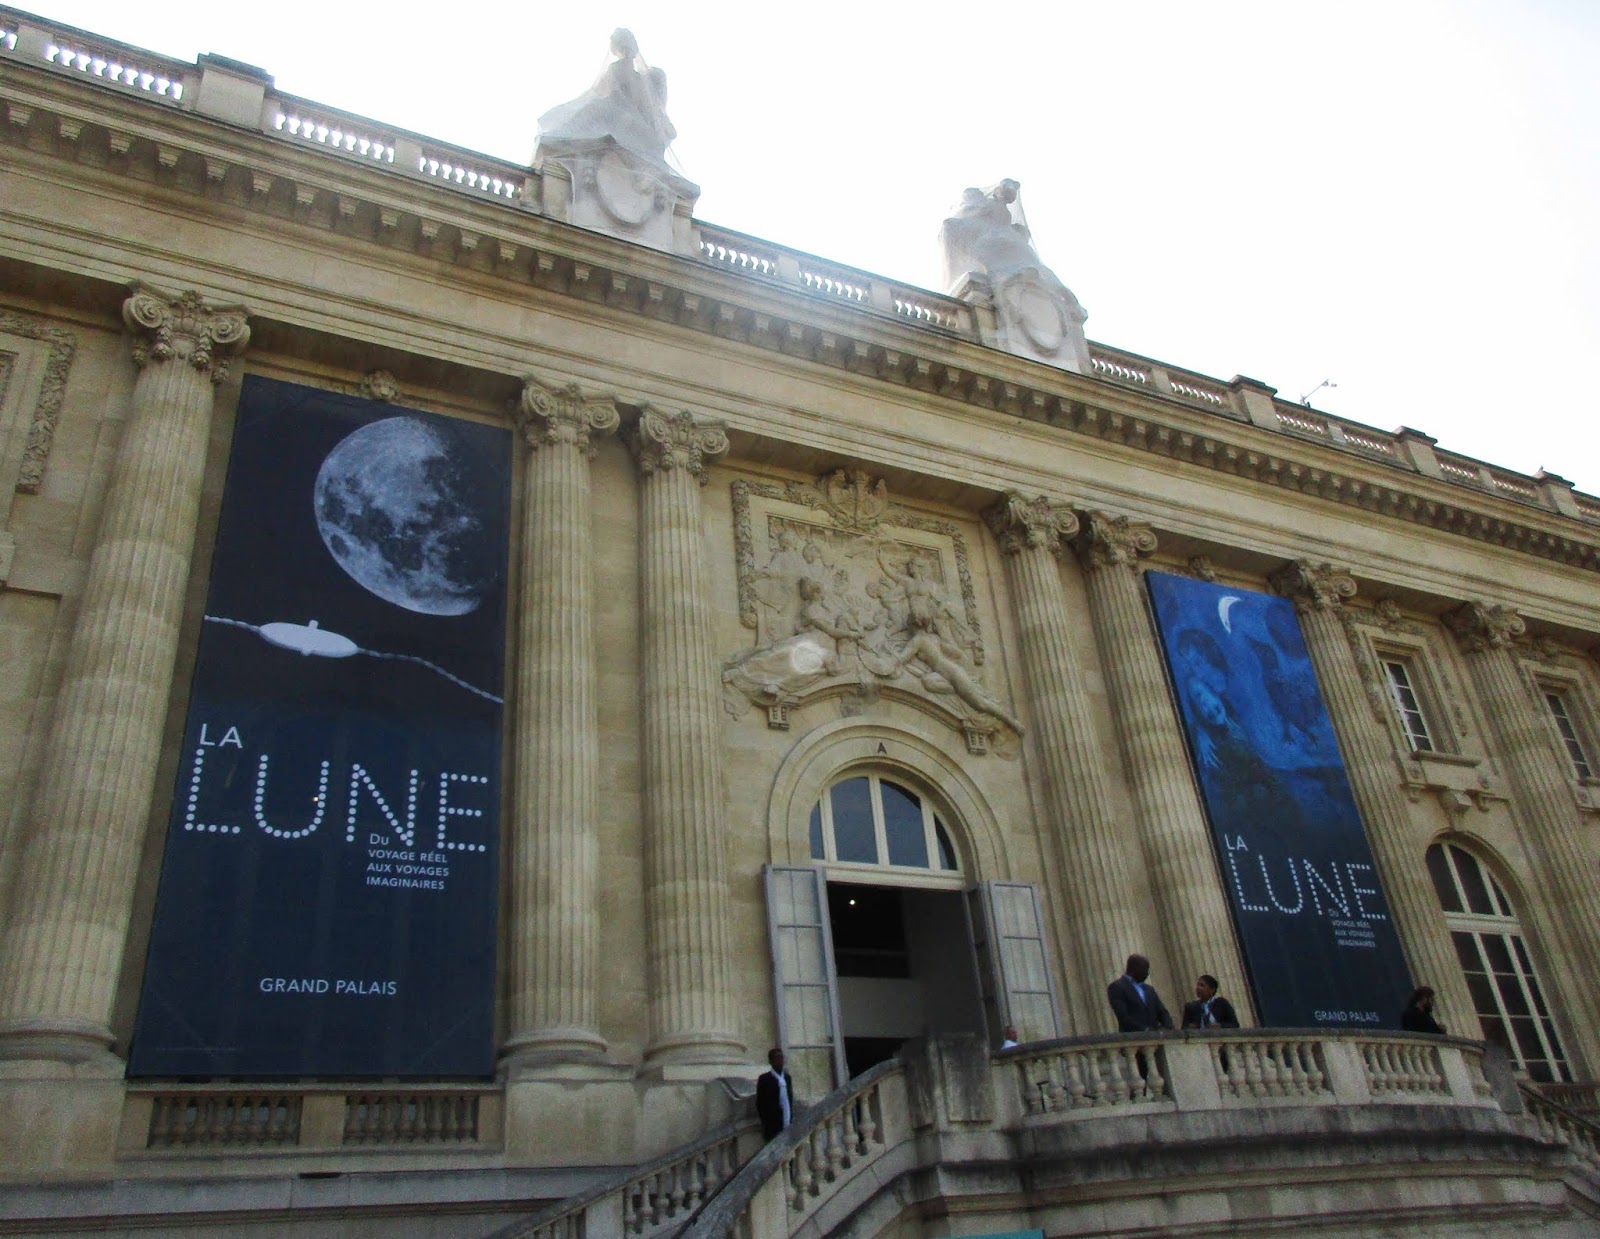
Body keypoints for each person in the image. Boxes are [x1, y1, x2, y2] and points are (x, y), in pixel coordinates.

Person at [1107, 954, 1173, 1033]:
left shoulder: (1149, 990)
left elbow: (1162, 1011)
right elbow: (1123, 1016)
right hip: (1134, 1038)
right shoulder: (1117, 987)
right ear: (1134, 969)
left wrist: (1167, 1026)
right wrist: (1145, 1030)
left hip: (1156, 1038)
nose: (1147, 974)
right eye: (1145, 969)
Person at [755, 1047, 795, 1141]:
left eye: (781, 1057)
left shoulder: (787, 1078)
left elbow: (789, 1098)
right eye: (777, 1058)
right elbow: (760, 1103)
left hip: (787, 1118)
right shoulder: (764, 1079)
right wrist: (766, 1121)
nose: (780, 1060)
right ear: (771, 1061)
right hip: (772, 1124)